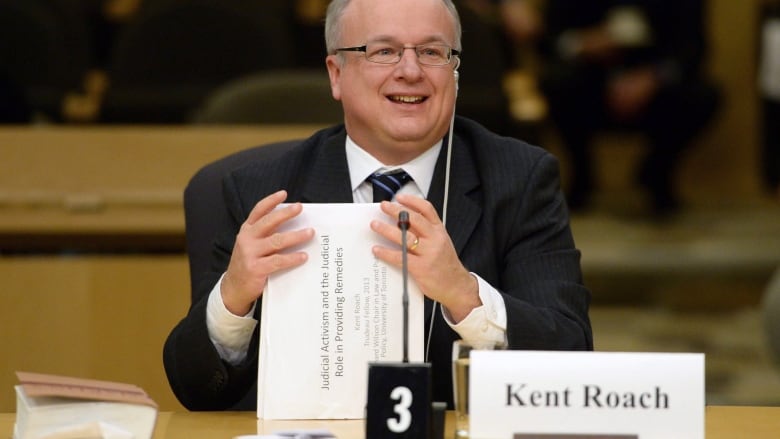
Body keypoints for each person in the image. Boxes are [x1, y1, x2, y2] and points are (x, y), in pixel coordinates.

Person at [163, 0, 592, 411]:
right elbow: (197, 390)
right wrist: (234, 300)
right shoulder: (263, 190)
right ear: (336, 74)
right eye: (383, 51)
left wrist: (465, 296)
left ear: (455, 73)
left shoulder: (519, 179)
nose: (410, 71)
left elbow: (571, 359)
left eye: (432, 52)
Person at [538, 0, 720, 214]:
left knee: (703, 96)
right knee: (554, 84)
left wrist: (652, 77)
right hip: (590, 81)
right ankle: (582, 176)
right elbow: (548, 39)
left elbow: (693, 49)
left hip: (657, 88)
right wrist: (581, 44)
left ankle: (656, 172)